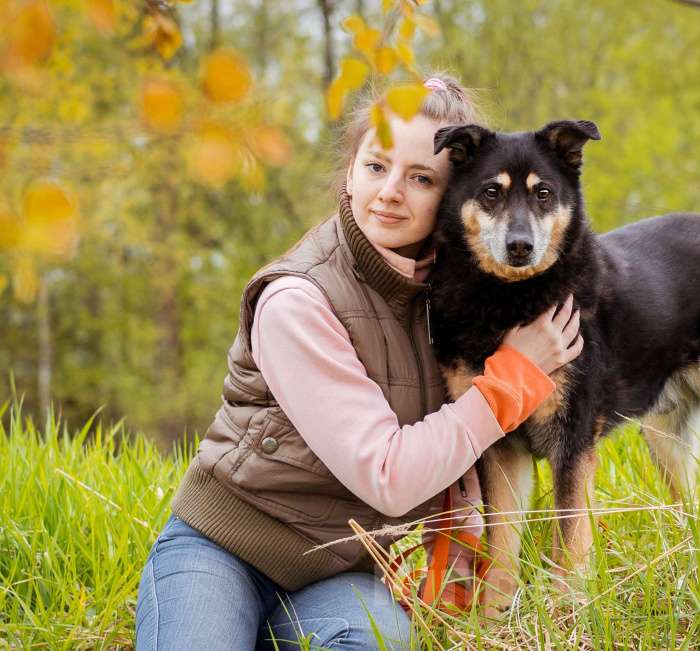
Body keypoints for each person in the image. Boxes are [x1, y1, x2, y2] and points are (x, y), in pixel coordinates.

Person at [134, 75, 583, 650]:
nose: (391, 191)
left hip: (341, 571)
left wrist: (461, 533)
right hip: (225, 551)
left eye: (420, 177)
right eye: (376, 166)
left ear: (454, 196)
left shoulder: (460, 293)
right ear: (350, 172)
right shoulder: (297, 300)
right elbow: (389, 477)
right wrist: (512, 381)